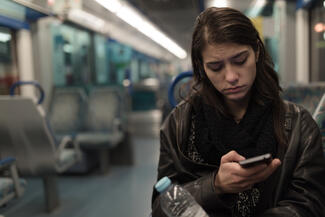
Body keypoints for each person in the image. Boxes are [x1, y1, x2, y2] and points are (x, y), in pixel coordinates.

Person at [151, 7, 325, 217]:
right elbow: (161, 207)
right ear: (201, 67)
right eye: (216, 67)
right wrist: (215, 185)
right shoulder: (179, 125)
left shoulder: (299, 125)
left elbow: (310, 205)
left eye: (240, 60)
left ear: (257, 52)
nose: (231, 76)